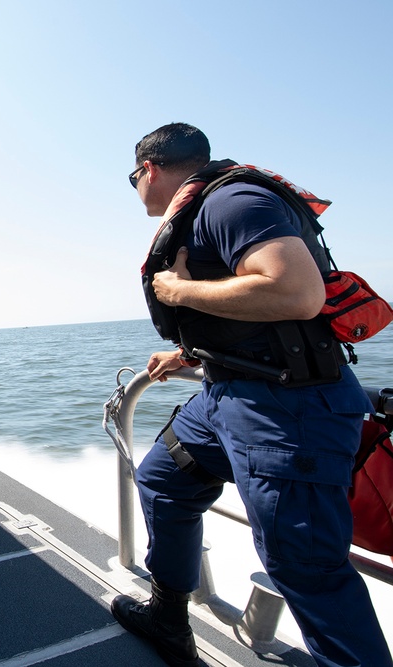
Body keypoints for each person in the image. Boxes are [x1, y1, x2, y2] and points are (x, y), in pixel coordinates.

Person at [111, 123, 392, 667]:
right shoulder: (209, 207)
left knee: (304, 568)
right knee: (164, 479)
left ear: (148, 170)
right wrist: (193, 354)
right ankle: (169, 617)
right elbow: (258, 319)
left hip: (287, 411)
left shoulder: (232, 201)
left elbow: (297, 292)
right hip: (226, 397)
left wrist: (176, 290)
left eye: (133, 178)